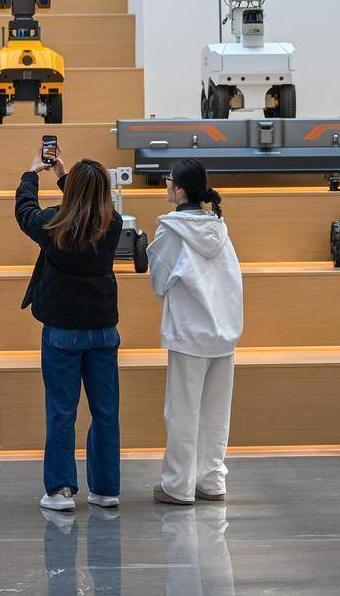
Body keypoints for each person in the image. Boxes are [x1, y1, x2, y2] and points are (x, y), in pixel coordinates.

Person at [16, 144, 123, 512]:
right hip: (103, 329)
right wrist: (65, 177)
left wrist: (33, 173)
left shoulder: (53, 224)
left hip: (62, 330)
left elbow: (25, 212)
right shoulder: (113, 224)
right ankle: (106, 489)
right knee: (105, 411)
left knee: (62, 411)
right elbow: (88, 205)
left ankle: (61, 490)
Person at [147, 159, 243, 505]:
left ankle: (178, 485)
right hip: (224, 333)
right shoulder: (220, 229)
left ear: (180, 190)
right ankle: (211, 481)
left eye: (168, 180)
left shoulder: (171, 231)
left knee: (182, 412)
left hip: (189, 333)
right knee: (216, 413)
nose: (166, 185)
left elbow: (159, 284)